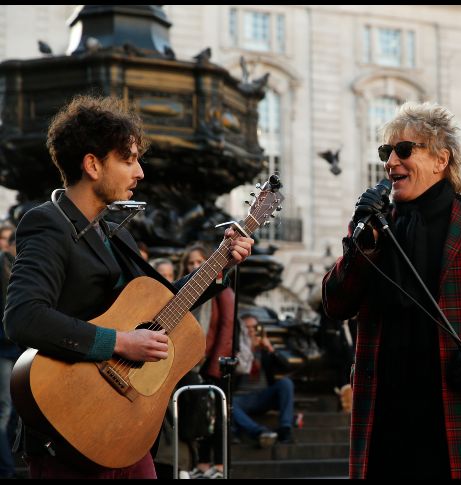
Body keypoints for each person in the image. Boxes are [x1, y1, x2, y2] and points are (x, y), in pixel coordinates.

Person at [2, 95, 254, 479]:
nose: (139, 172)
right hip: (70, 426)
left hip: (126, 428)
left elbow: (165, 306)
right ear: (92, 164)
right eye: (128, 159)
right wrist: (118, 343)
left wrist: (220, 263)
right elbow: (23, 317)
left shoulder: (112, 232)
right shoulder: (47, 224)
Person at [322, 101, 461, 479]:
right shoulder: (376, 228)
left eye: (404, 150)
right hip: (384, 413)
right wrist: (361, 243)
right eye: (386, 152)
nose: (391, 162)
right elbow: (335, 304)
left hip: (459, 408)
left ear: (441, 160)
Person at [180, 244, 236, 480]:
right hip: (195, 363)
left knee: (218, 417)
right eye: (191, 263)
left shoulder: (219, 290)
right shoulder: (188, 288)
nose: (195, 266)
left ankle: (220, 466)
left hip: (213, 363)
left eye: (199, 261)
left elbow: (226, 326)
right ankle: (203, 464)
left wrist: (214, 364)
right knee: (202, 416)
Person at [230, 311, 296, 447]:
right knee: (228, 402)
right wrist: (248, 349)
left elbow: (287, 367)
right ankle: (259, 432)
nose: (251, 331)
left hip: (263, 395)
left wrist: (270, 349)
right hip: (241, 398)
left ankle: (285, 429)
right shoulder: (236, 349)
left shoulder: (265, 350)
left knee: (286, 383)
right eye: (247, 328)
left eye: (254, 327)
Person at [0, 227, 19, 478]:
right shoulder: (3, 266)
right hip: (4, 349)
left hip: (15, 348)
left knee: (12, 409)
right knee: (4, 410)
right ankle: (6, 469)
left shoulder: (15, 266)